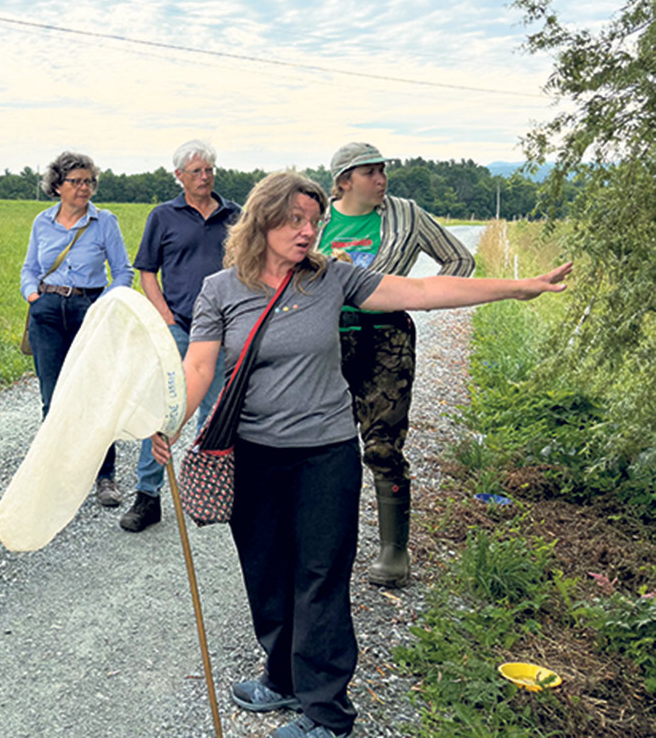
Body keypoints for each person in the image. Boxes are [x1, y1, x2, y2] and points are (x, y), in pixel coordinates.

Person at [152, 171, 569, 738]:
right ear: (263, 221)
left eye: (314, 221)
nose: (307, 233)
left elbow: (421, 293)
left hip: (324, 453)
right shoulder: (220, 290)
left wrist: (517, 288)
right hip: (252, 454)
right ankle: (283, 679)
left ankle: (327, 713)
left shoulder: (333, 279)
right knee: (266, 572)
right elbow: (200, 366)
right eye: (294, 220)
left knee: (319, 575)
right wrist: (171, 420)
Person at [319, 142, 475, 587]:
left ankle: (393, 550)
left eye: (383, 170)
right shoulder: (316, 219)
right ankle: (329, 541)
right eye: (370, 172)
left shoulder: (405, 214)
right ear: (344, 180)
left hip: (388, 338)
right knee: (329, 444)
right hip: (328, 341)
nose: (382, 179)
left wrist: (418, 295)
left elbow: (459, 257)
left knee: (383, 443)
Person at [123, 139, 240, 532]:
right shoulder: (163, 216)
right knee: (164, 411)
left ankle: (208, 490)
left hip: (222, 332)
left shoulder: (234, 216)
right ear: (179, 176)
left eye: (209, 170)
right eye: (196, 171)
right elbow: (147, 272)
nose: (204, 177)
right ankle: (148, 495)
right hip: (178, 329)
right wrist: (166, 317)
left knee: (214, 413)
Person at [20, 151, 132, 506]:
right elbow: (29, 269)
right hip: (48, 312)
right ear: (58, 186)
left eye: (89, 181)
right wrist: (33, 294)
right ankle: (55, 474)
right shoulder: (42, 222)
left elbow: (124, 272)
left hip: (90, 310)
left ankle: (105, 477)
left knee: (97, 395)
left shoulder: (105, 222)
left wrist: (104, 304)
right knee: (53, 399)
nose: (85, 188)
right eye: (77, 182)